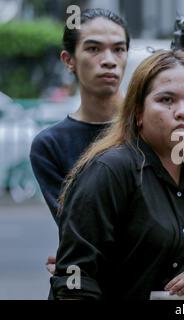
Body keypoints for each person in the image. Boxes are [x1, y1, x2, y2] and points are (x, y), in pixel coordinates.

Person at [50, 50, 184, 300]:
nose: (183, 112)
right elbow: (75, 276)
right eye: (166, 100)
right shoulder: (110, 170)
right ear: (138, 113)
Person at [30, 8, 130, 222]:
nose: (109, 60)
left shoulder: (149, 125)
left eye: (119, 49)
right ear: (69, 60)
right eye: (94, 49)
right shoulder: (51, 145)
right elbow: (76, 228)